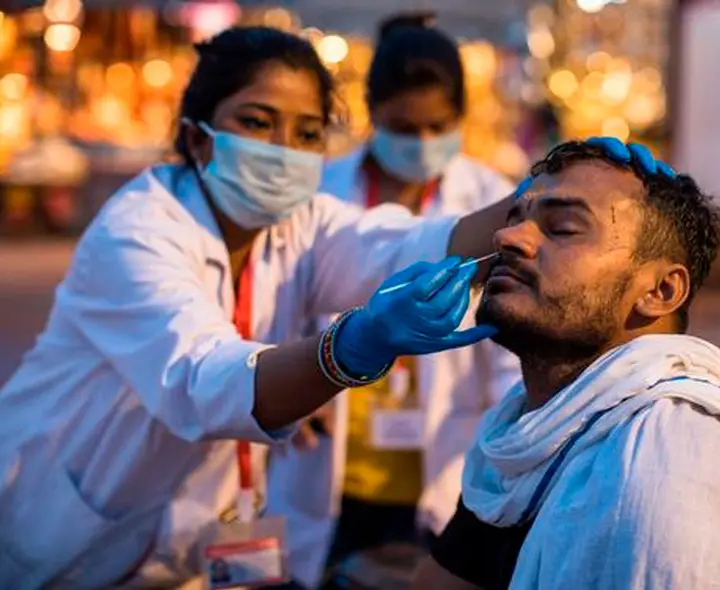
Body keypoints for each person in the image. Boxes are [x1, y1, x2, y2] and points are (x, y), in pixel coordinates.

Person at [0, 26, 515, 589]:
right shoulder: (139, 230)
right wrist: (345, 352)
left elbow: (406, 246)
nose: (281, 149)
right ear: (198, 139)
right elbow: (205, 381)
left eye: (307, 132)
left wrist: (540, 192)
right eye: (256, 122)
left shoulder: (301, 225)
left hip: (192, 550)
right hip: (62, 546)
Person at [413, 140, 720, 590]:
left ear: (660, 291)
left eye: (562, 228)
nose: (507, 238)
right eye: (515, 219)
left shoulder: (679, 459)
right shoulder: (527, 433)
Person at [266, 13, 520, 587]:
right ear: (372, 111)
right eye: (405, 127)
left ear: (461, 117)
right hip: (326, 468)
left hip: (442, 468)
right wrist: (293, 379)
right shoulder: (318, 195)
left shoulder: (488, 201)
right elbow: (272, 306)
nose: (423, 143)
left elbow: (511, 360)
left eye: (438, 126)